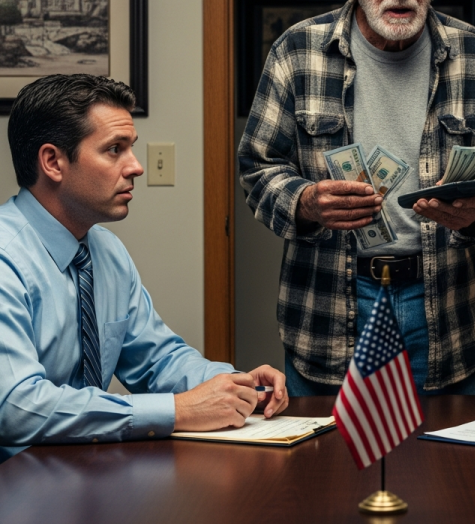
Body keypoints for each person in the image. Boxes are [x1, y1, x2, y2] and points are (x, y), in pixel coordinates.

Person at [239, 0, 475, 396]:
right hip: (328, 303)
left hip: (442, 305)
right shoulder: (296, 51)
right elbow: (257, 169)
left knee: (439, 467)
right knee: (326, 464)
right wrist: (306, 202)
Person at [0, 74, 288, 463]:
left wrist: (231, 386)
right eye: (114, 150)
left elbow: (157, 359)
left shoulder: (106, 251)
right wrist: (180, 411)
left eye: (131, 148)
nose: (136, 167)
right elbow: (17, 409)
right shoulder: (5, 257)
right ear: (53, 161)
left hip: (87, 471)